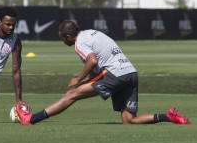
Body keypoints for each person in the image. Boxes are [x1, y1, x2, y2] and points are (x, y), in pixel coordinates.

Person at [16, 20, 191, 125]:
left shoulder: (79, 43)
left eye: (63, 38)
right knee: (129, 121)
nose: (63, 41)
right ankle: (169, 117)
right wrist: (87, 81)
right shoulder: (93, 33)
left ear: (68, 37)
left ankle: (31, 119)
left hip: (115, 75)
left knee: (71, 94)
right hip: (131, 73)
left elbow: (93, 60)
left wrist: (78, 79)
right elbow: (100, 63)